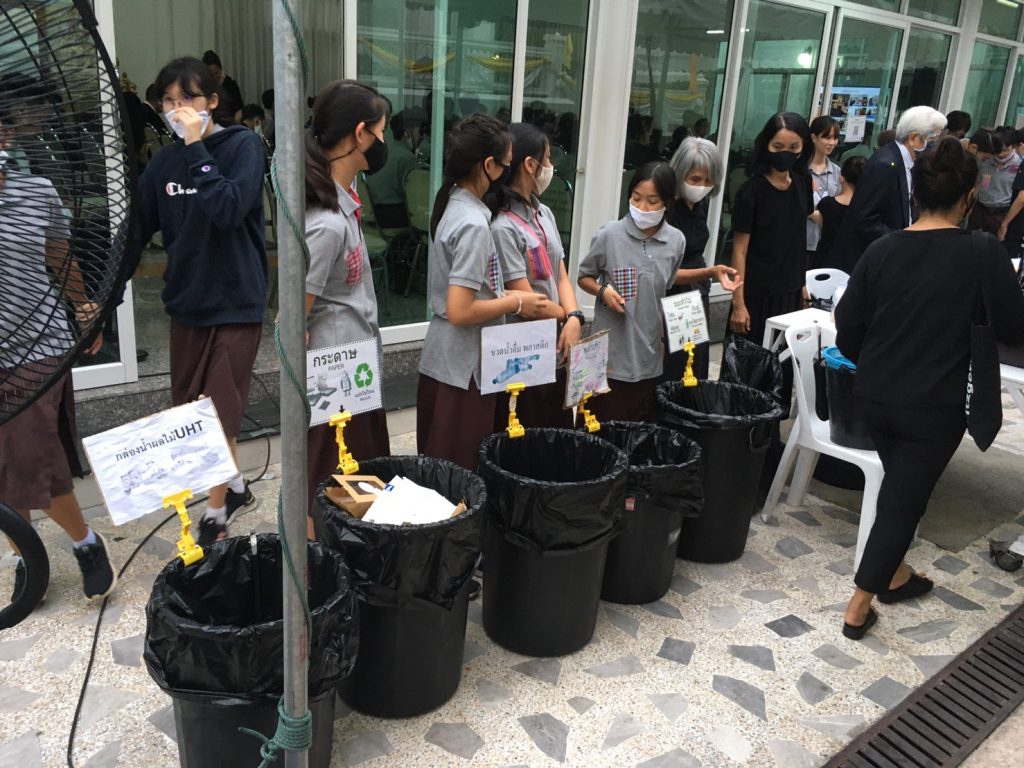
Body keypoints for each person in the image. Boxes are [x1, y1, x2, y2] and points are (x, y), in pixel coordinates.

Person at [835, 137, 1024, 640]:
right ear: (970, 196)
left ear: (915, 192)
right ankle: (859, 606)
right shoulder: (982, 251)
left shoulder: (882, 249)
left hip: (874, 395)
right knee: (904, 502)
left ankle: (895, 574)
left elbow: (847, 326)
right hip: (933, 404)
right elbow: (1014, 327)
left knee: (900, 488)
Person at [134, 57, 267, 547]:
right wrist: (96, 301)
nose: (178, 109)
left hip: (236, 301)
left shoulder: (243, 146)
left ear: (212, 100)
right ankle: (234, 484)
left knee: (217, 412)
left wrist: (196, 149)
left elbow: (229, 208)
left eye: (188, 98)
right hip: (187, 304)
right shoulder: (163, 164)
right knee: (190, 411)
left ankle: (215, 513)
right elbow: (137, 228)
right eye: (168, 101)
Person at [0, 117, 116, 601]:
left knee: (31, 454)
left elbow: (59, 254)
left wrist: (84, 306)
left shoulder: (37, 192)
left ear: (6, 136)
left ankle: (85, 543)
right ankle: (27, 558)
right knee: (4, 466)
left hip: (37, 344)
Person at [417, 114, 550, 470]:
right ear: (488, 166)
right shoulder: (474, 224)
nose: (507, 173)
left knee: (440, 468)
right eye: (505, 165)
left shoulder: (454, 203)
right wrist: (516, 301)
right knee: (458, 473)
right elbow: (460, 310)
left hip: (447, 359)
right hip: (464, 368)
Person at [578, 161, 739, 422]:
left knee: (640, 428)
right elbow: (584, 277)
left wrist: (710, 271)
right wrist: (602, 291)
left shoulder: (676, 241)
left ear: (667, 202)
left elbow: (667, 278)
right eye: (636, 198)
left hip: (649, 357)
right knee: (602, 427)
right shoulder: (609, 235)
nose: (642, 207)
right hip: (608, 359)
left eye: (652, 201)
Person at [303, 80, 392, 532]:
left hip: (354, 366)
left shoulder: (344, 203)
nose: (383, 142)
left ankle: (353, 546)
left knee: (358, 468)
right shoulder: (325, 223)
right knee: (327, 472)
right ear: (360, 134)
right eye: (380, 131)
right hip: (334, 372)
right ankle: (315, 554)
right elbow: (293, 314)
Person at [489, 122, 582, 429]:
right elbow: (529, 303)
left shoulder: (545, 213)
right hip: (523, 352)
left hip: (556, 342)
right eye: (548, 158)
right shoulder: (503, 227)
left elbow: (561, 276)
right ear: (530, 165)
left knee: (557, 427)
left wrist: (575, 317)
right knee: (527, 429)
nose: (551, 166)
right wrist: (568, 318)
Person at [728, 113, 813, 347]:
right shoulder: (751, 191)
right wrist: (738, 303)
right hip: (756, 293)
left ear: (803, 147)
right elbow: (739, 250)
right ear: (766, 145)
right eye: (778, 146)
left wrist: (802, 283)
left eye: (793, 147)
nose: (785, 153)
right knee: (751, 359)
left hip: (791, 290)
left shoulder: (802, 182)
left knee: (784, 359)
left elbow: (798, 237)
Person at [831, 106, 947, 272]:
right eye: (933, 138)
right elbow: (864, 217)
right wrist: (900, 240)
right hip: (868, 259)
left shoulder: (907, 162)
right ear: (914, 138)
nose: (935, 145)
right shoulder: (886, 164)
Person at [664, 137, 730, 381]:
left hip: (696, 294)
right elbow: (663, 272)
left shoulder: (700, 204)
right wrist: (709, 273)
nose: (701, 186)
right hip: (671, 295)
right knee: (676, 365)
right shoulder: (666, 210)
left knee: (695, 361)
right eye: (695, 179)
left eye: (708, 181)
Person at [364, 106, 422, 229]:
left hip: (374, 214)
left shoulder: (382, 151)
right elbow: (414, 197)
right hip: (394, 216)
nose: (421, 136)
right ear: (407, 132)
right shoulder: (406, 157)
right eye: (419, 131)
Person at [815, 155, 865, 269]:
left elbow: (816, 217)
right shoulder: (867, 209)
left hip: (826, 263)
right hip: (856, 264)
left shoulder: (827, 205)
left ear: (841, 178)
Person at [806, 116, 842, 270]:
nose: (832, 143)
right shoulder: (800, 170)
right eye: (827, 138)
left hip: (826, 244)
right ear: (814, 137)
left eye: (835, 138)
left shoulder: (837, 172)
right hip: (801, 242)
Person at [971, 131, 1019, 235]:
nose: (1001, 155)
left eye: (1005, 150)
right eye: (998, 151)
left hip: (1001, 213)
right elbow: (979, 180)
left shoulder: (1019, 164)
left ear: (1012, 146)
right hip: (980, 209)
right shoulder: (986, 159)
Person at [202, 50, 243, 117]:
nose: (214, 77)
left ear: (220, 70)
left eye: (216, 73)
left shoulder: (231, 85)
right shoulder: (202, 87)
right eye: (211, 75)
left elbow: (239, 110)